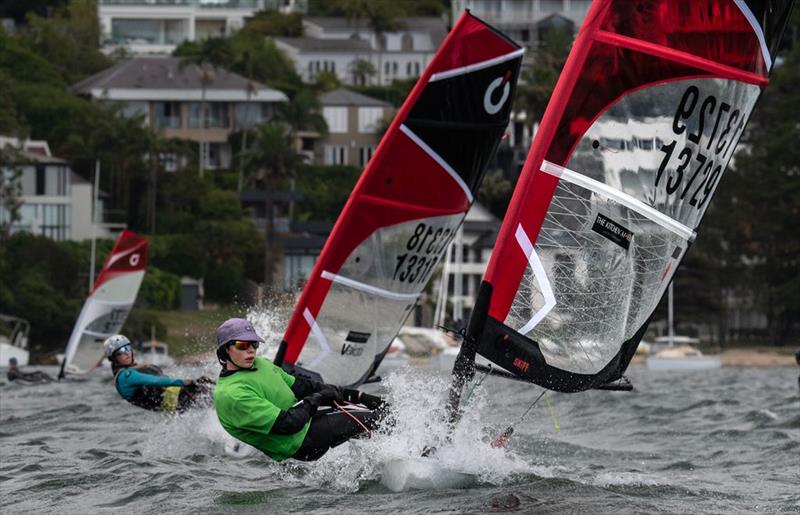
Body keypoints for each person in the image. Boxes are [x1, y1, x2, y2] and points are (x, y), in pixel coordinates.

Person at [213, 318, 389, 462]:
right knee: (374, 419)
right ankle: (409, 453)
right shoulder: (232, 394)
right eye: (242, 345)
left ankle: (393, 458)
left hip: (308, 422)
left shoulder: (261, 364)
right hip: (301, 442)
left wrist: (359, 396)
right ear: (225, 350)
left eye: (254, 344)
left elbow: (303, 387)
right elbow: (288, 424)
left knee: (379, 413)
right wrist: (318, 398)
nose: (250, 350)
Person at [105, 334, 213, 412]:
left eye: (127, 348)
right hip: (173, 400)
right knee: (203, 390)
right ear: (114, 358)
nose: (127, 353)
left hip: (174, 397)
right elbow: (155, 380)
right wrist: (184, 382)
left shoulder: (132, 368)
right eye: (121, 352)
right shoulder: (125, 377)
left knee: (204, 381)